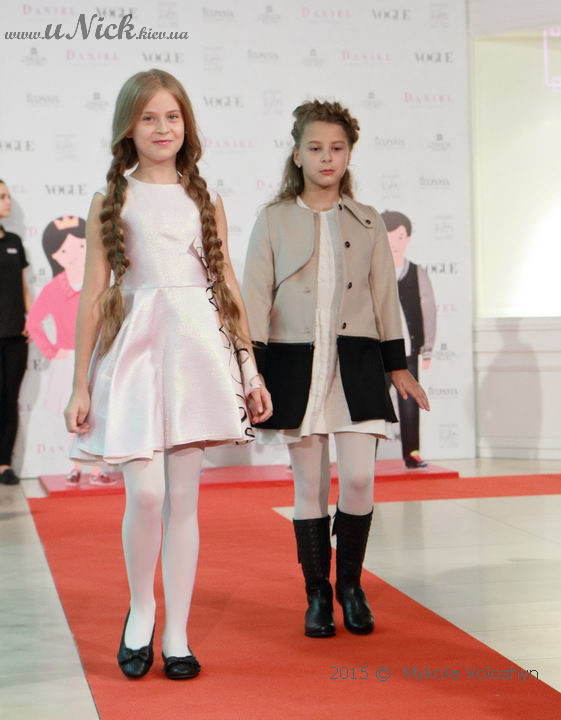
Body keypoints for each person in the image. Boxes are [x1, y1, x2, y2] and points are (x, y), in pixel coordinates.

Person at [64, 69, 272, 680]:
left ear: (188, 125)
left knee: (183, 500)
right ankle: (142, 608)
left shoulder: (206, 200)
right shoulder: (111, 200)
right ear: (128, 128)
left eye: (172, 116)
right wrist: (80, 383)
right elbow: (92, 296)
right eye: (149, 117)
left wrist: (250, 371)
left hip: (197, 356)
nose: (162, 128)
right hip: (134, 356)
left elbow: (227, 288)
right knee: (147, 494)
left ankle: (177, 633)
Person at [243, 100, 429, 639]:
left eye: (337, 148)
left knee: (359, 478)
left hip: (358, 365)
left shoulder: (368, 219)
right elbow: (254, 296)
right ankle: (317, 594)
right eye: (316, 147)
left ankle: (351, 585)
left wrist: (398, 367)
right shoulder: (273, 218)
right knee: (308, 486)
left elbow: (385, 297)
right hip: (294, 366)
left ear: (349, 155)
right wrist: (251, 371)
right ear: (297, 154)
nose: (327, 157)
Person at [26, 216, 112, 485]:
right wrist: (52, 351)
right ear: (55, 256)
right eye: (65, 250)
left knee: (99, 411)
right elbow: (33, 322)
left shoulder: (100, 284)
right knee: (75, 413)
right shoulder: (54, 288)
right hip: (67, 361)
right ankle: (76, 466)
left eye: (81, 246)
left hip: (99, 355)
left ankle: (97, 469)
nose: (74, 255)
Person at [381, 210, 437, 470]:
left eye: (400, 236)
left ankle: (412, 452)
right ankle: (366, 454)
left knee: (411, 404)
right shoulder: (372, 272)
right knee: (375, 404)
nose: (394, 242)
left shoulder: (416, 272)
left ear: (408, 238)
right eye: (388, 236)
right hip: (378, 350)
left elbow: (428, 309)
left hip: (408, 350)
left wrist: (427, 349)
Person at [0, 180, 31, 485]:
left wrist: (30, 318)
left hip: (15, 335)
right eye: (2, 197)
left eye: (8, 196)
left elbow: (22, 285)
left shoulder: (15, 241)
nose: (8, 201)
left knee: (10, 399)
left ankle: (4, 464)